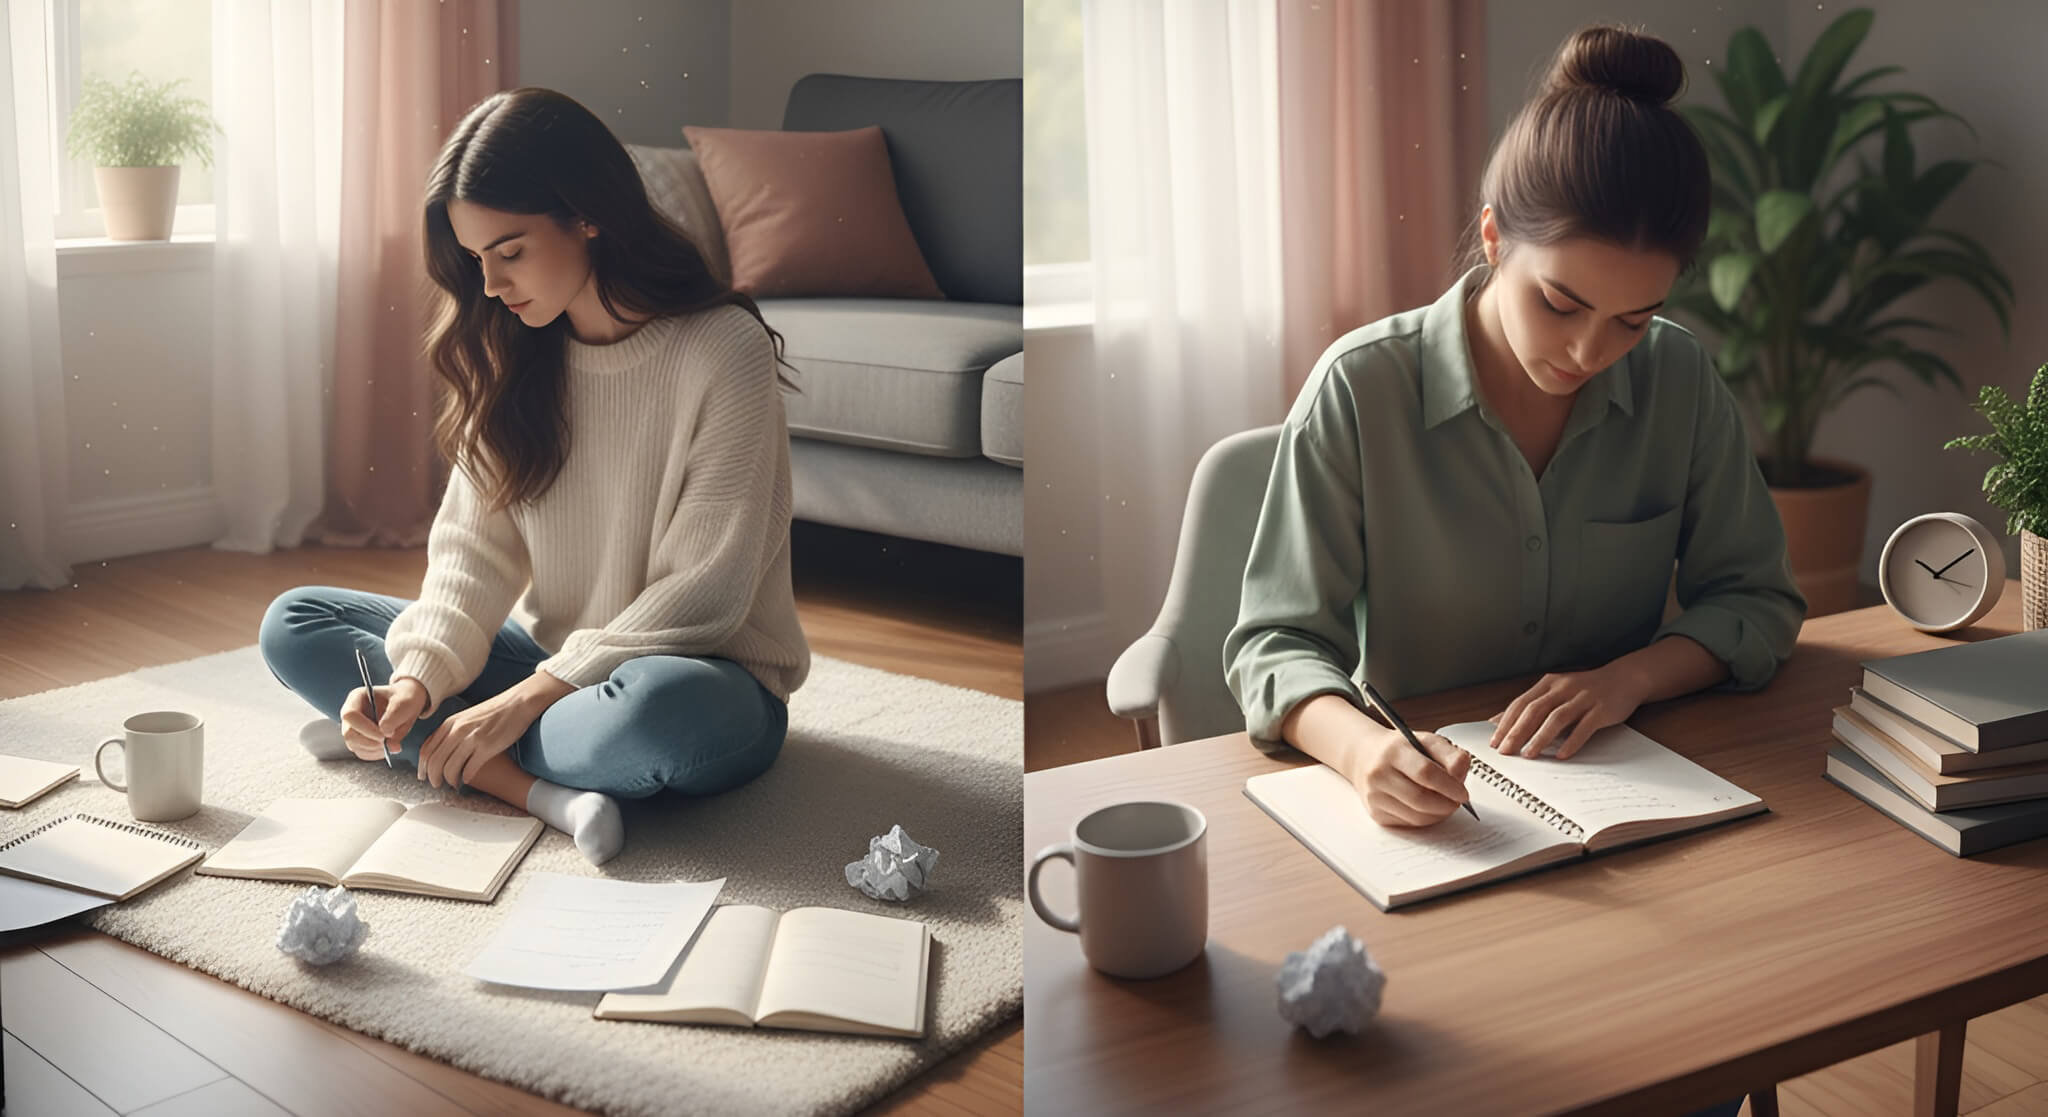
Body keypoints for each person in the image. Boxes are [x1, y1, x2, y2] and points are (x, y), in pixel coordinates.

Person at [1225, 24, 1805, 830]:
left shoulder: (1679, 379)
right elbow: (1274, 643)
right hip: (1428, 807)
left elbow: (1756, 599)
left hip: (1627, 790)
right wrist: (1363, 751)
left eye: (1632, 320)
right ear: (1495, 238)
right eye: (1559, 304)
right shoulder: (1359, 389)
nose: (1588, 350)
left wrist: (1626, 679)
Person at [258, 87, 809, 866]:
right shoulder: (511, 346)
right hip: (558, 669)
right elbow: (469, 558)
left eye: (509, 251)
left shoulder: (722, 350)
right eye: (475, 258)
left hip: (701, 678)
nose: (489, 285)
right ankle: (525, 782)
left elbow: (707, 590)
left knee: (656, 720)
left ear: (588, 215)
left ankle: (433, 749)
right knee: (297, 620)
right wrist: (417, 680)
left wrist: (522, 699)